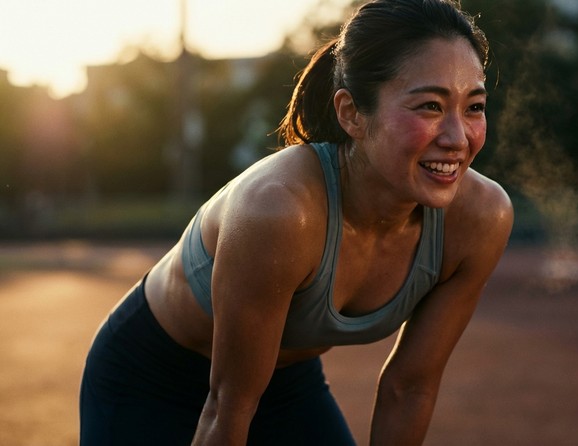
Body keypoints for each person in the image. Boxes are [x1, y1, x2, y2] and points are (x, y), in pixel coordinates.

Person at [79, 0, 513, 444]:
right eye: (429, 106)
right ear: (351, 114)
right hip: (149, 377)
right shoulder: (281, 211)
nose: (458, 138)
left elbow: (410, 387)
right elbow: (226, 408)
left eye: (474, 107)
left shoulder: (480, 218)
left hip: (284, 383)